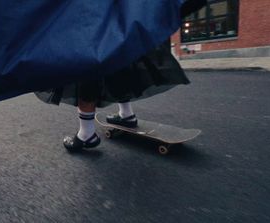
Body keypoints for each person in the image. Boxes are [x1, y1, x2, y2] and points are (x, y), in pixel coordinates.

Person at [35, 0, 207, 151]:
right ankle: (126, 115)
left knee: (88, 68)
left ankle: (86, 134)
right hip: (115, 12)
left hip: (93, 15)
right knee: (118, 58)